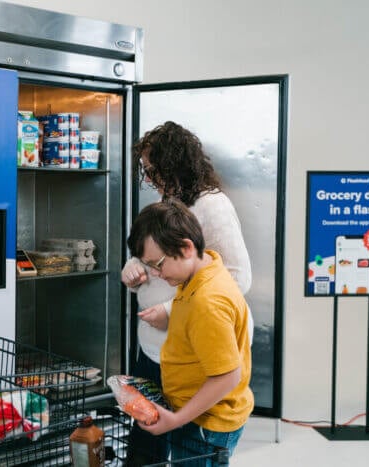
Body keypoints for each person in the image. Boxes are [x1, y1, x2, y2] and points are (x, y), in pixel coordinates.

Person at [121, 120, 253, 465]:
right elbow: (144, 253)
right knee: (147, 431)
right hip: (157, 347)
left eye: (153, 169)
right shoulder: (167, 204)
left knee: (184, 439)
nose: (148, 178)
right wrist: (133, 267)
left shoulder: (212, 206)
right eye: (145, 171)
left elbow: (238, 276)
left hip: (190, 348)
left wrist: (172, 309)